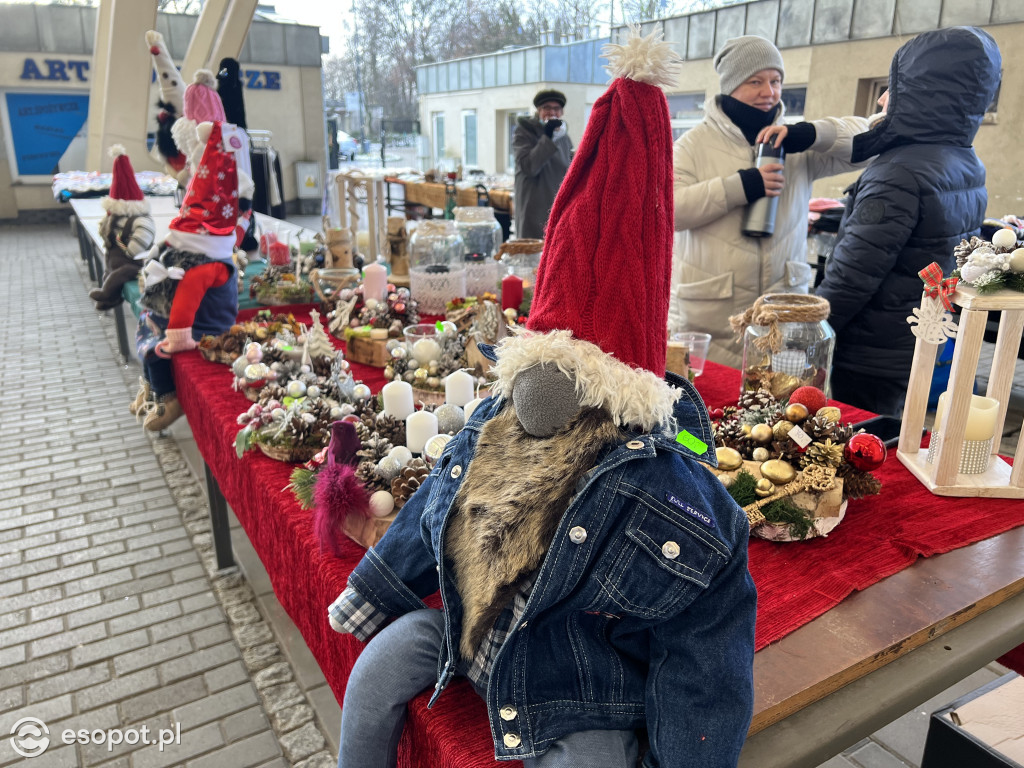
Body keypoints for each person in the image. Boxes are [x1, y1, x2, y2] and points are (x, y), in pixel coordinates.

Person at [329, 32, 756, 768]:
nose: (534, 404)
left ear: (613, 391)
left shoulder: (678, 497)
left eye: (561, 382)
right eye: (534, 375)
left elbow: (707, 655)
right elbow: (439, 503)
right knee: (372, 677)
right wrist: (377, 592)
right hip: (467, 622)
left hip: (574, 673)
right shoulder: (496, 424)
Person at [816, 26, 1002, 416]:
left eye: (894, 88)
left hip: (871, 353)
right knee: (894, 440)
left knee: (861, 450)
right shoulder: (964, 161)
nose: (883, 98)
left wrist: (810, 329)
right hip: (916, 340)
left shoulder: (898, 173)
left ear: (921, 97)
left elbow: (852, 277)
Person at [670, 35, 871, 367]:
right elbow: (669, 211)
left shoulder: (793, 143)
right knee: (708, 410)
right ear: (730, 86)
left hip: (781, 313)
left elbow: (871, 142)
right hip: (713, 316)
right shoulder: (692, 145)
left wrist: (811, 133)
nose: (770, 92)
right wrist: (742, 186)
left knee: (776, 408)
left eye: (776, 81)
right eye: (756, 81)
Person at [131, 121, 241, 431]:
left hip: (204, 328)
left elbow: (187, 300)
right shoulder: (192, 251)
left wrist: (176, 337)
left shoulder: (207, 265)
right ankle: (151, 388)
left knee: (155, 346)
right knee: (146, 322)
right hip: (186, 319)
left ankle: (168, 397)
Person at [513, 89, 573, 239]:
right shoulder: (524, 132)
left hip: (558, 207)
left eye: (556, 108)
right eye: (546, 107)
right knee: (532, 254)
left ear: (562, 112)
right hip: (534, 206)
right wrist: (547, 137)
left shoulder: (563, 137)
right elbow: (529, 167)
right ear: (538, 110)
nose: (552, 112)